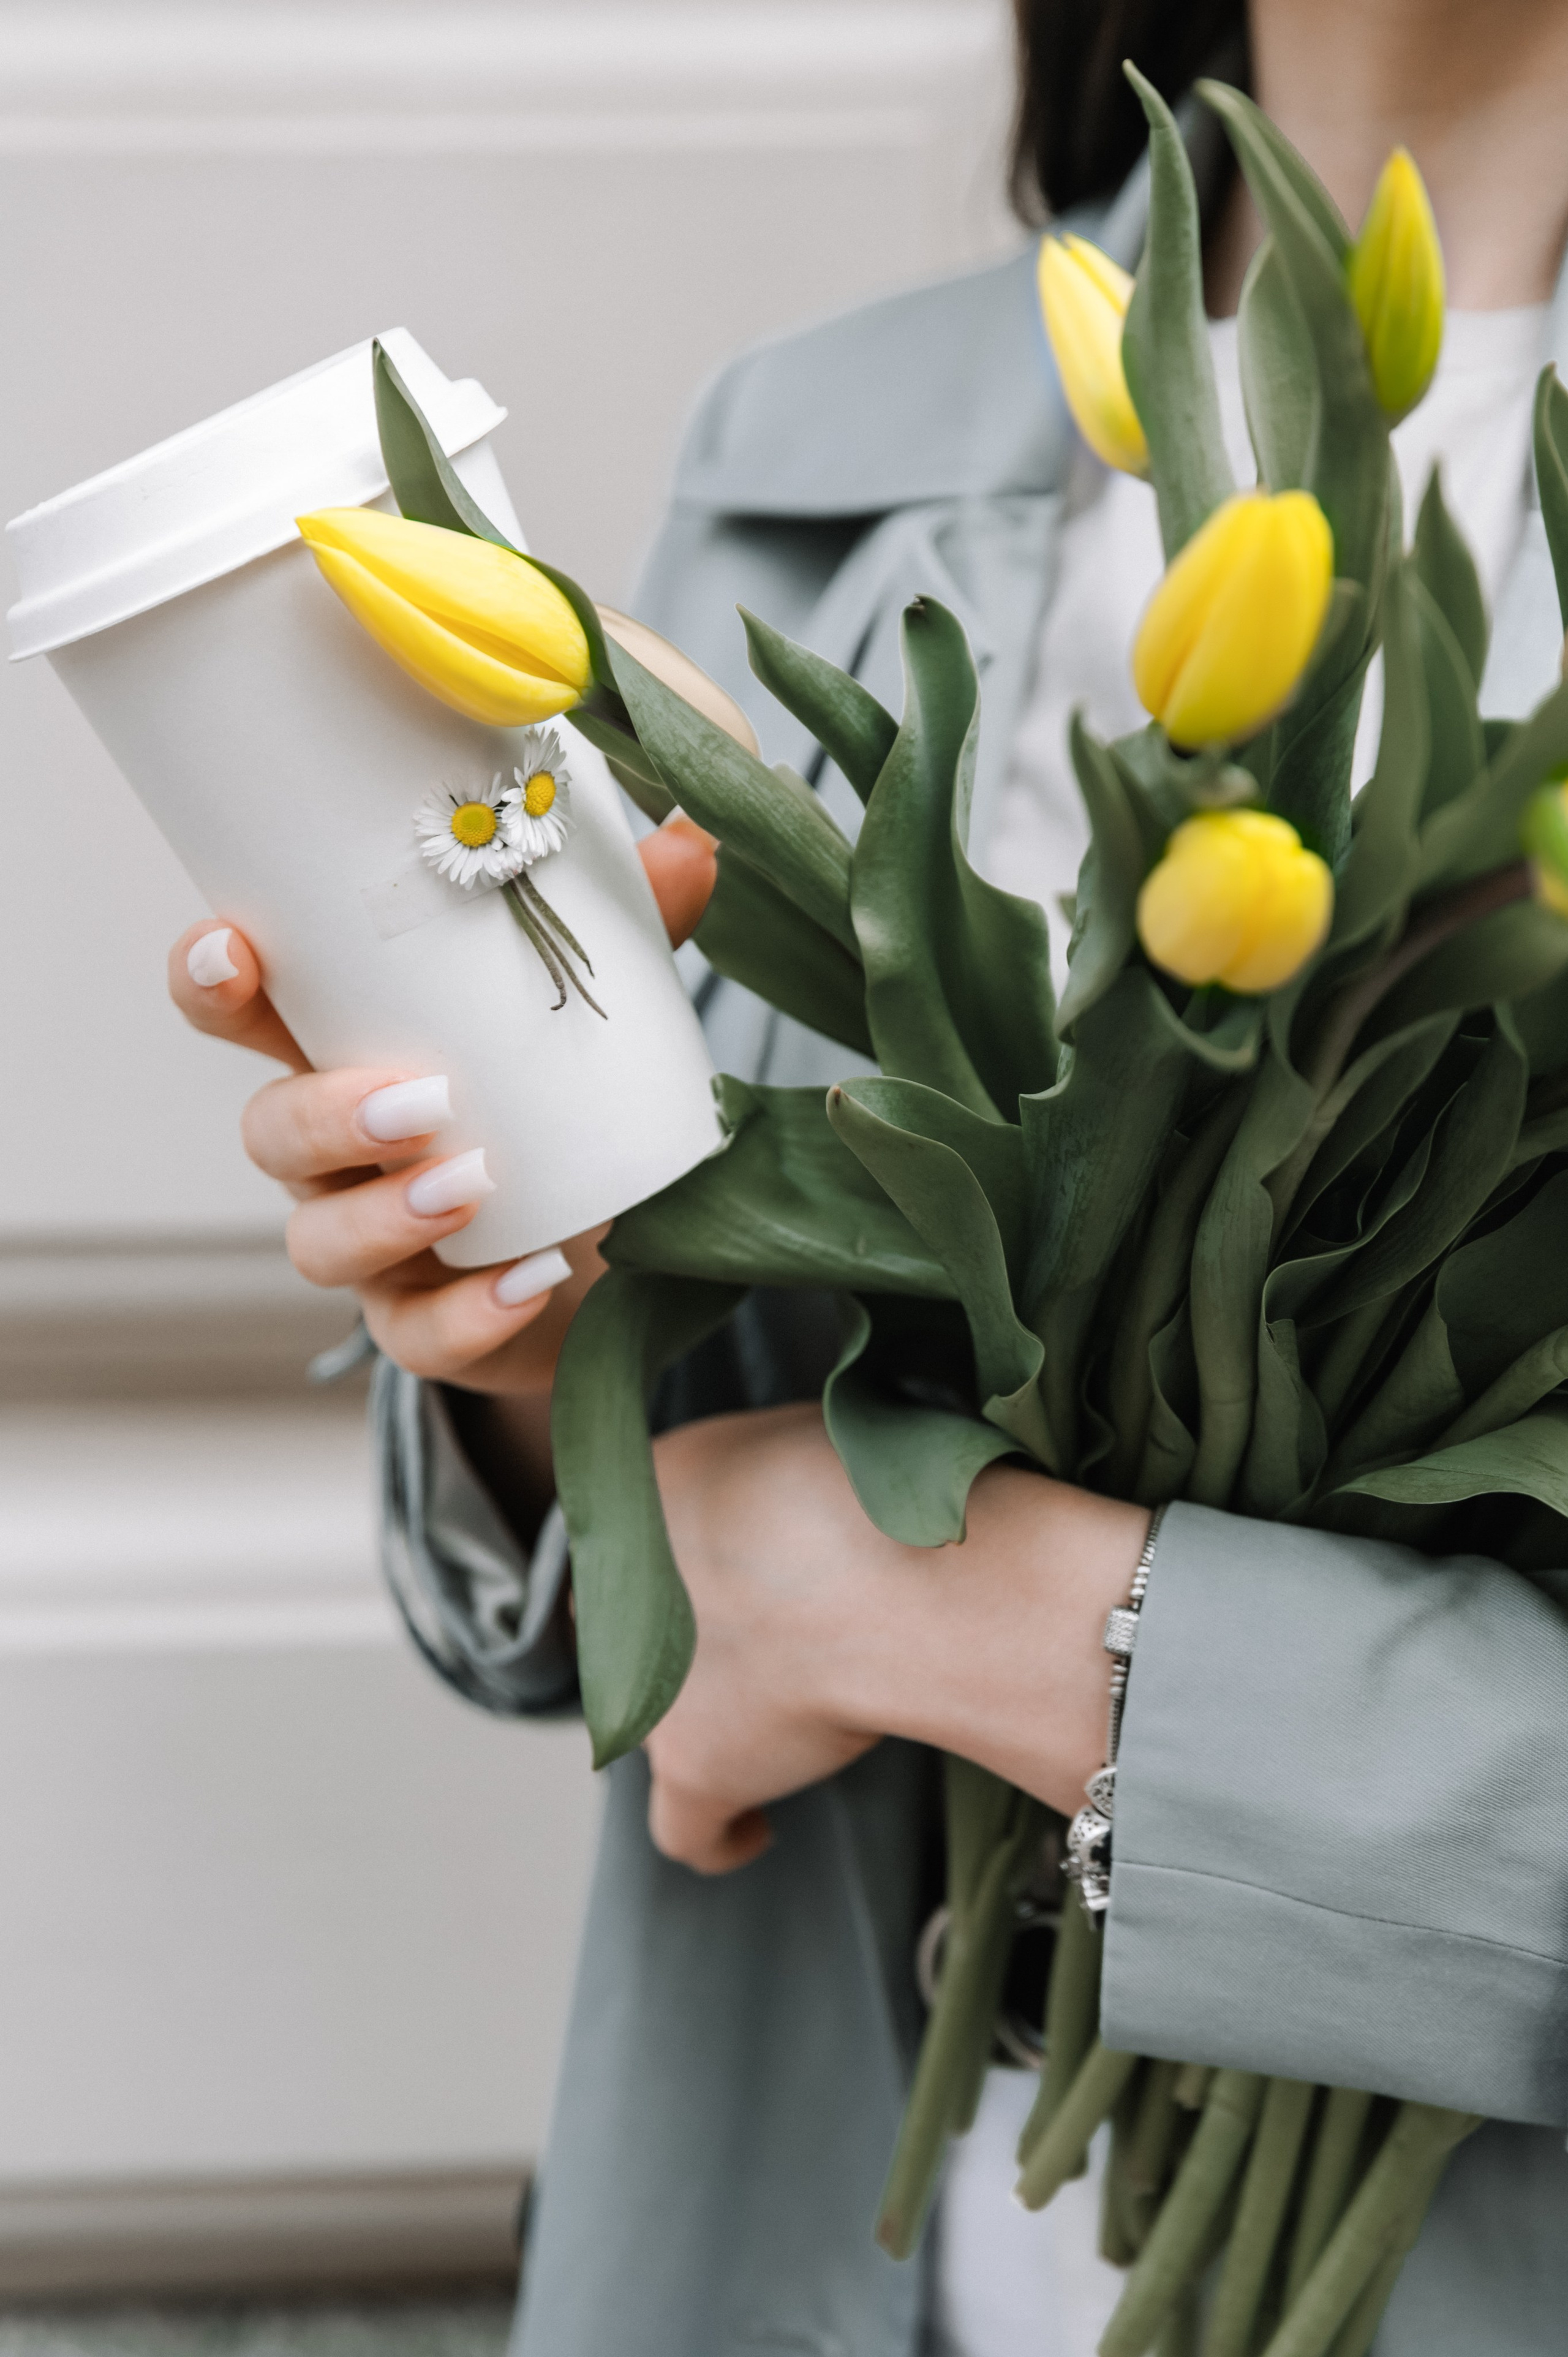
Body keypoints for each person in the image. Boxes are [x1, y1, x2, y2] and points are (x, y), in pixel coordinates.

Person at [167, 1, 1568, 2349]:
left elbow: (813, 1570)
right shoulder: (837, 442)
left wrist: (961, 1610)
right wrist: (521, 1321)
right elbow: (637, 1554)